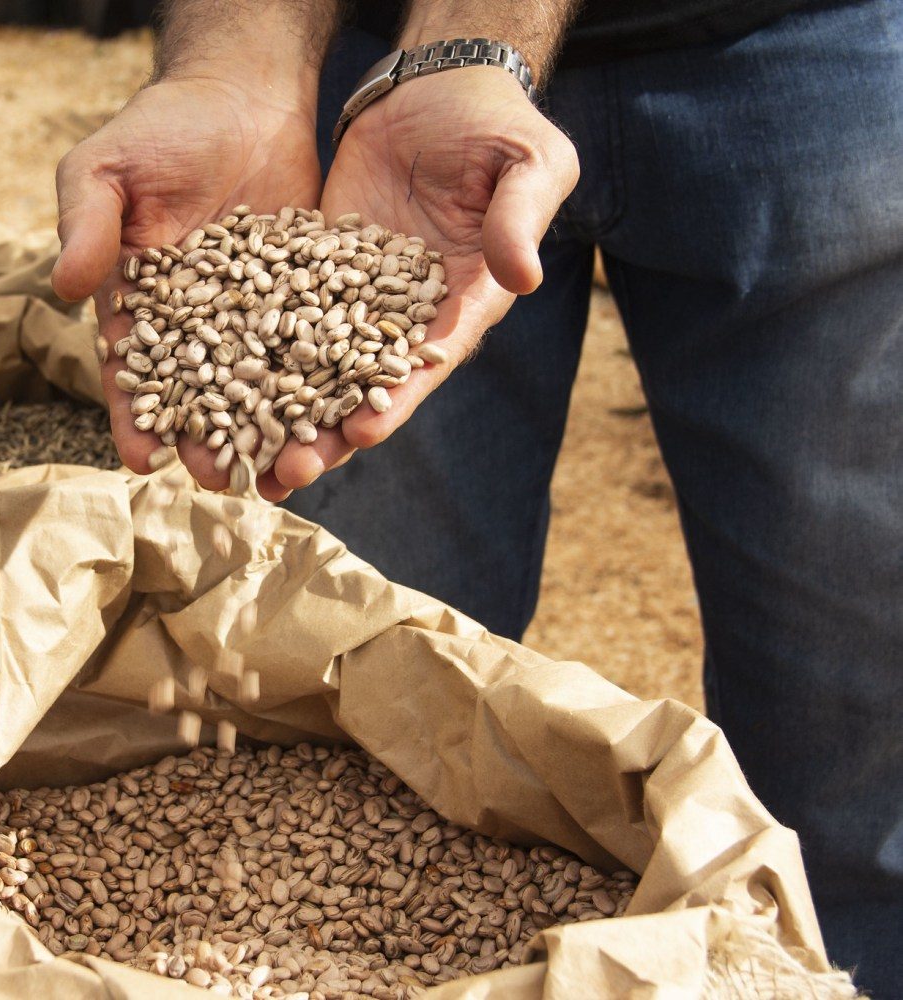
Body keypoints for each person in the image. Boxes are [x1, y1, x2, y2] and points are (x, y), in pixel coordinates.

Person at [51, 0, 903, 990]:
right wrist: (234, 64)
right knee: (347, 715)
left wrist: (465, 39)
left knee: (858, 742)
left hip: (803, 45)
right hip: (361, 76)